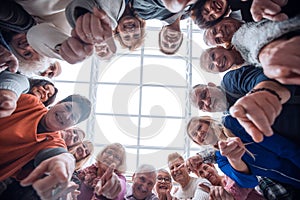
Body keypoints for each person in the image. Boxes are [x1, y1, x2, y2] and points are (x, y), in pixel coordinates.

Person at [190, 65, 300, 145]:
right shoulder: (229, 122)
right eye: (201, 105)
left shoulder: (229, 82)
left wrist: (262, 93)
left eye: (204, 94)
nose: (207, 102)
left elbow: (261, 78)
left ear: (211, 85)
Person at [185, 115, 300, 190]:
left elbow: (279, 144)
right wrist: (234, 159)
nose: (200, 134)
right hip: (290, 179)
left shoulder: (231, 123)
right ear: (197, 142)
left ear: (208, 122)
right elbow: (249, 182)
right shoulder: (221, 159)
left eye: (200, 127)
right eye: (195, 134)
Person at [197, 162, 264, 200]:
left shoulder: (229, 174)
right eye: (201, 173)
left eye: (206, 168)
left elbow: (239, 188)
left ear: (212, 166)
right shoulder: (210, 193)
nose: (206, 173)